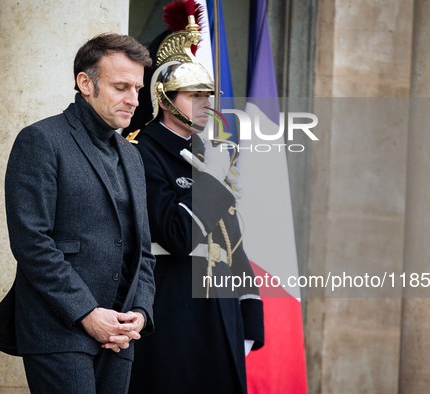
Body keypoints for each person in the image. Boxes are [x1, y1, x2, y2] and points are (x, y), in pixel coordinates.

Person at [0, 33, 156, 394]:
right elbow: (32, 243)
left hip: (120, 334)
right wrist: (89, 313)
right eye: (121, 87)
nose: (134, 99)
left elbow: (143, 251)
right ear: (85, 83)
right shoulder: (41, 139)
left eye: (138, 88)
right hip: (58, 328)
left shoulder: (131, 154)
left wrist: (140, 312)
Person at [125, 3, 264, 393]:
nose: (207, 103)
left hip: (219, 308)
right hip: (174, 309)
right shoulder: (141, 151)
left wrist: (249, 309)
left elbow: (229, 235)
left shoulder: (208, 154)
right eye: (195, 95)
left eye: (208, 94)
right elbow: (179, 237)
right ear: (165, 97)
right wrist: (210, 184)